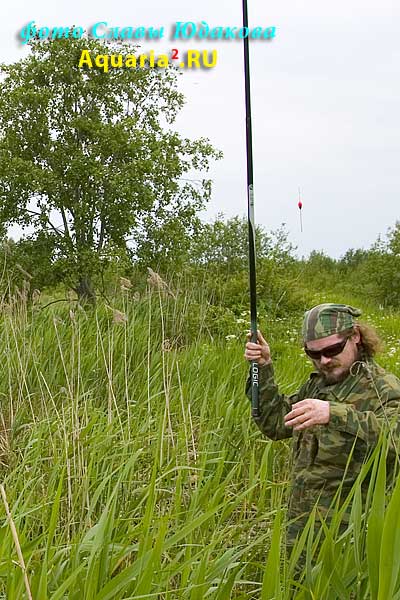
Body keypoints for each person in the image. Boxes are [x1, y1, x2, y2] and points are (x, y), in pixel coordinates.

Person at [244, 303, 400, 551]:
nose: (324, 361)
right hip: (301, 528)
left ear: (355, 337)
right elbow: (275, 424)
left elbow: (395, 440)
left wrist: (333, 413)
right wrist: (262, 368)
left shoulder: (383, 388)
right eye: (314, 354)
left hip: (349, 537)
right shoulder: (318, 386)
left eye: (333, 349)